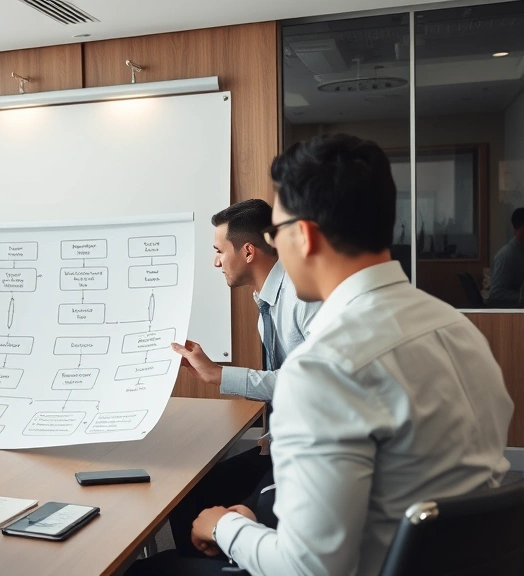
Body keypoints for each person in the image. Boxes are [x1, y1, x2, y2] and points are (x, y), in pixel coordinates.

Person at [133, 134, 513, 576]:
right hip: (442, 557)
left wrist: (225, 527)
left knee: (150, 569)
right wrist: (257, 512)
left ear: (306, 237)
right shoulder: (459, 330)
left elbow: (308, 568)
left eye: (276, 230)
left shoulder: (325, 367)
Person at [164, 199, 320, 555]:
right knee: (190, 495)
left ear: (248, 251)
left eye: (219, 251)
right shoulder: (265, 301)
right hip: (282, 443)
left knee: (201, 498)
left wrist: (220, 375)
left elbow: (311, 385)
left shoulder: (303, 298)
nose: (215, 261)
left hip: (310, 454)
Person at [488, 207, 524, 307]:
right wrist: (520, 297)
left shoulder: (519, 251)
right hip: (508, 314)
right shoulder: (507, 255)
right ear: (516, 229)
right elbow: (496, 293)